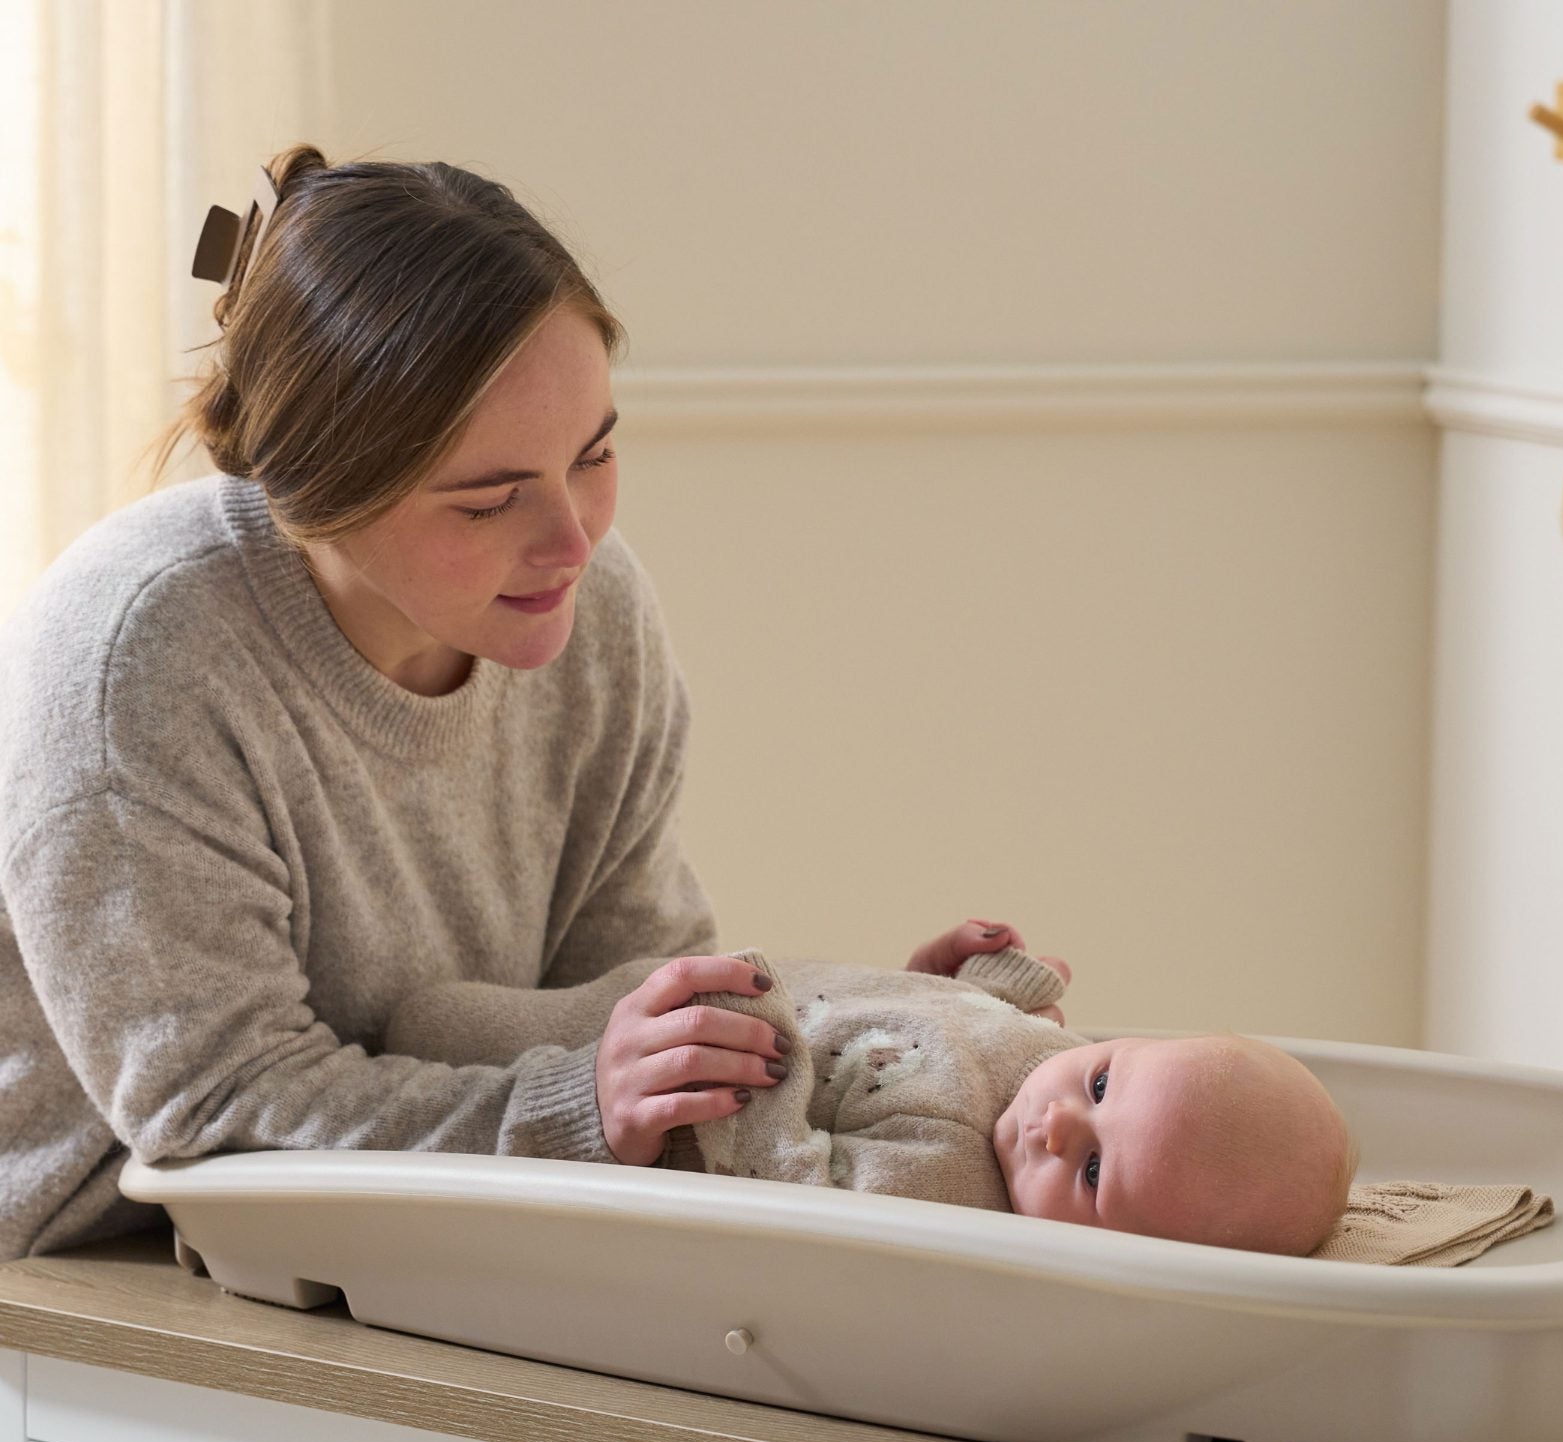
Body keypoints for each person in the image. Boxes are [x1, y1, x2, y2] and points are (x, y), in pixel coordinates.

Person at [0, 145, 1018, 1263]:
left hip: (420, 1244)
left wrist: (881, 1037)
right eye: (489, 500)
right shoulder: (137, 657)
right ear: (315, 492)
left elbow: (623, 1004)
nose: (573, 541)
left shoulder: (594, 612)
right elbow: (213, 1114)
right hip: (80, 1273)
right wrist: (575, 1115)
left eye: (595, 453)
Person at [385, 924, 1357, 1256]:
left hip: (654, 1060)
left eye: (1096, 1172)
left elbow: (793, 1189)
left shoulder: (945, 1186)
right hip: (650, 994)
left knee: (430, 1032)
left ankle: (400, 1059)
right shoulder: (1048, 1063)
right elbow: (953, 1030)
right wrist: (967, 984)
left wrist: (763, 1062)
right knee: (475, 1006)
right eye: (1102, 1082)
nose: (1060, 1121)